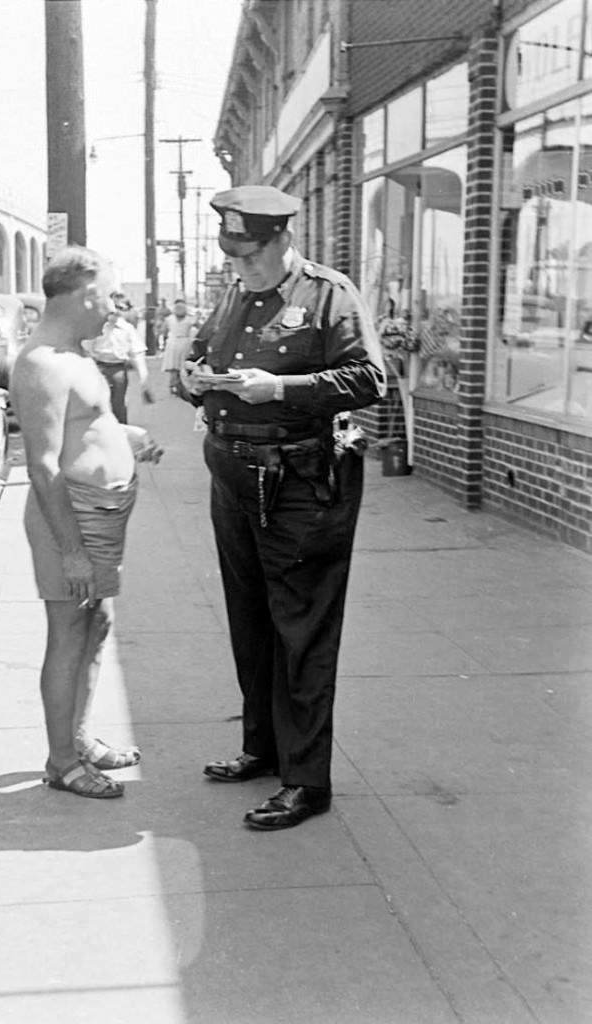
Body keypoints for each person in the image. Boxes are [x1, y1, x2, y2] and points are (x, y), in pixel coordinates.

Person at [180, 185, 387, 830]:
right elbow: (209, 358)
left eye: (251, 255)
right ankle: (263, 747)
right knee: (251, 619)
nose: (240, 267)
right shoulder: (236, 294)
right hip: (235, 475)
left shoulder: (329, 293)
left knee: (301, 628)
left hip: (299, 481)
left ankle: (306, 781)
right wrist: (195, 380)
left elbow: (368, 379)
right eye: (233, 255)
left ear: (282, 241)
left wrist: (280, 389)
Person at [11, 246, 163, 799]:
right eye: (109, 295)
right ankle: (62, 762)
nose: (115, 308)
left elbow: (87, 424)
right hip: (69, 520)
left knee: (95, 625)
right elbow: (43, 464)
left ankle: (78, 738)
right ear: (84, 295)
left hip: (99, 516)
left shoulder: (75, 353)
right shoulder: (41, 363)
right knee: (69, 633)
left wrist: (126, 438)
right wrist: (71, 550)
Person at [84, 293, 152, 422]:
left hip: (118, 369)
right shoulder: (97, 326)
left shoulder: (127, 329)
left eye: (120, 308)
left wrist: (144, 380)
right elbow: (86, 350)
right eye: (113, 307)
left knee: (118, 405)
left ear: (125, 311)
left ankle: (121, 433)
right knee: (98, 405)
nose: (115, 311)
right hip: (99, 368)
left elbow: (137, 355)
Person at [161, 296, 197, 394]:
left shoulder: (187, 319)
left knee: (178, 366)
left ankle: (177, 386)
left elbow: (163, 331)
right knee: (177, 366)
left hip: (179, 343)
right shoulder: (173, 319)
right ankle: (176, 386)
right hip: (178, 343)